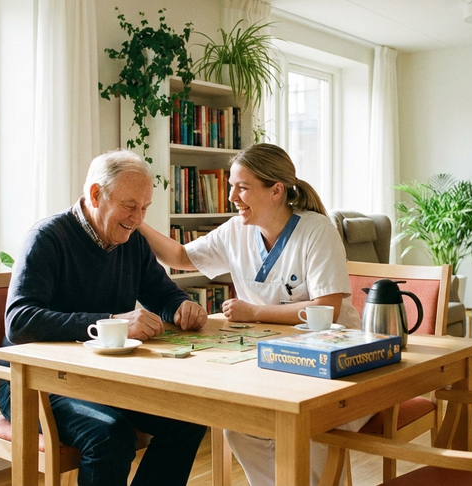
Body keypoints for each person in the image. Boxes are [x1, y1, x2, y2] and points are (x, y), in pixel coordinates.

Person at [137, 143, 366, 486]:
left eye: (241, 187)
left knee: (306, 431)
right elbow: (181, 256)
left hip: (340, 367)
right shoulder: (235, 232)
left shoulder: (317, 231)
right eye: (231, 186)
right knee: (242, 425)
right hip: (272, 362)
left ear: (276, 190)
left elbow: (326, 308)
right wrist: (134, 218)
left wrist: (254, 311)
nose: (231, 196)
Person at [0, 149, 209, 486]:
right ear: (96, 194)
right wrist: (111, 321)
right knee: (110, 435)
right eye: (129, 205)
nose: (137, 218)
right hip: (37, 384)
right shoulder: (47, 238)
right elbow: (20, 320)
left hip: (106, 379)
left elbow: (163, 293)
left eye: (144, 208)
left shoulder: (133, 241)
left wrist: (183, 305)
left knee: (192, 418)